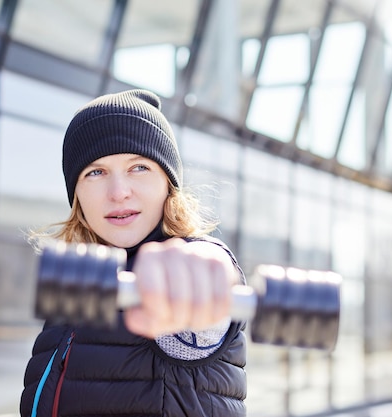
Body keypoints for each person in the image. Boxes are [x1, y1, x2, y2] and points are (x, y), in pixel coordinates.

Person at [20, 89, 247, 417]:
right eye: (95, 172)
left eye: (138, 167)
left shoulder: (182, 266)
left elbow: (204, 304)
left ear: (167, 184)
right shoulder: (81, 286)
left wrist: (204, 273)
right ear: (77, 194)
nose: (118, 192)